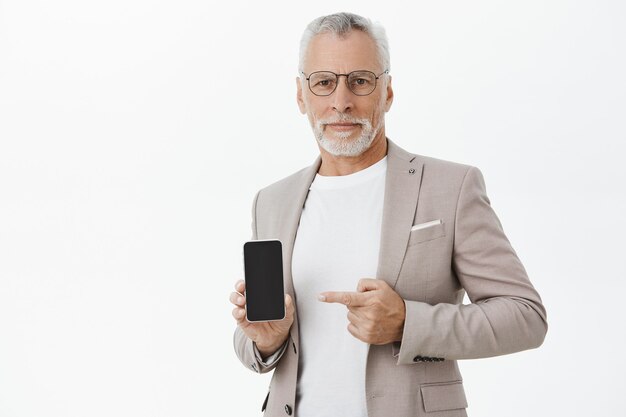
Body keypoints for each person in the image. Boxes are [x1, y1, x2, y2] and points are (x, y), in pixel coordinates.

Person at [230, 12, 547, 417]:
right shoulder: (272, 200)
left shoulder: (450, 187)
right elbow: (253, 342)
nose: (341, 101)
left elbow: (525, 316)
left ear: (388, 92)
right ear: (300, 96)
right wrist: (265, 339)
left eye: (360, 80)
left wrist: (408, 323)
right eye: (324, 82)